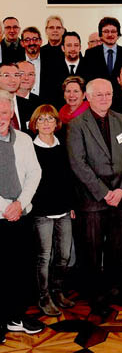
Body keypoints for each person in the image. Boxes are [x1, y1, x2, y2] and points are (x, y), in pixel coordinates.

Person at [66, 78, 122, 315]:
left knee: (117, 249)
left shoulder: (121, 119)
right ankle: (96, 295)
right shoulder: (77, 124)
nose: (105, 98)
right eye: (99, 95)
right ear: (88, 97)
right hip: (92, 199)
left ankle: (115, 289)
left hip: (119, 198)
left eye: (108, 94)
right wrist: (104, 192)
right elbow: (78, 164)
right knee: (93, 252)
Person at [0, 89, 44, 340]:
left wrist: (19, 204)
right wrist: (5, 207)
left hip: (21, 215)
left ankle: (15, 316)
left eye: (5, 112)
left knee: (20, 269)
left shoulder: (25, 139)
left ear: (11, 114)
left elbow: (34, 174)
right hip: (1, 215)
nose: (1, 117)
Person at [29, 104, 75, 316]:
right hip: (41, 212)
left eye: (50, 119)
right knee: (43, 256)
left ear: (57, 123)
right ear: (35, 124)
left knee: (64, 255)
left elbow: (69, 178)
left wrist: (72, 205)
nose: (46, 123)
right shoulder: (30, 147)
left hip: (64, 210)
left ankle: (57, 291)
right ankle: (44, 296)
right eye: (41, 119)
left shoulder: (63, 144)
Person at [82, 17, 122, 90]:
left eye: (113, 31)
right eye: (106, 31)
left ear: (118, 34)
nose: (110, 35)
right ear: (101, 34)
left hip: (121, 98)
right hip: (99, 97)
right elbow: (87, 78)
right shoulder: (91, 53)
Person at [21, 27, 43, 97]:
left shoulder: (51, 62)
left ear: (40, 41)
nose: (32, 43)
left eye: (35, 39)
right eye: (27, 40)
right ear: (22, 43)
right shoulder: (15, 63)